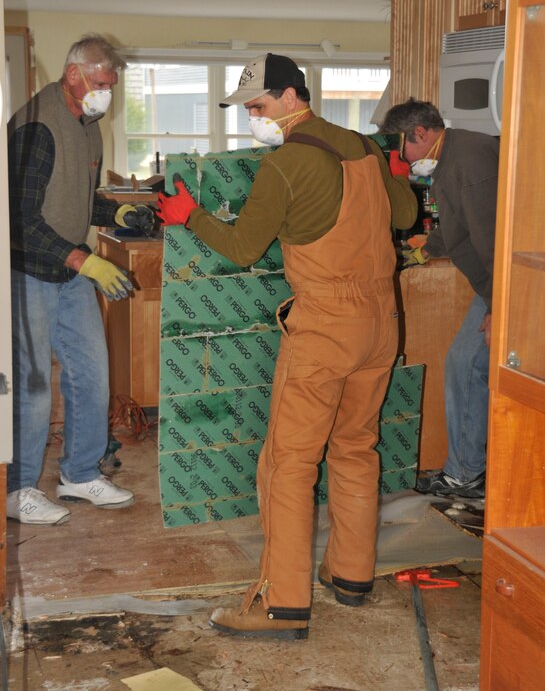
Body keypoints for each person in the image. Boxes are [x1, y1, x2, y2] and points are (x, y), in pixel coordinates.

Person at [157, 53, 417, 639]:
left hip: (326, 325)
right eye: (248, 108)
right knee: (356, 447)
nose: (254, 116)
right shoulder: (363, 147)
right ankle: (351, 577)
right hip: (382, 322)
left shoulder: (284, 164)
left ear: (292, 96)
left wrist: (188, 215)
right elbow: (403, 214)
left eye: (258, 105)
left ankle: (282, 605)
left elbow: (245, 247)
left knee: (288, 463)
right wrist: (393, 172)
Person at [7, 33, 154, 526]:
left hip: (70, 273)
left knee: (92, 373)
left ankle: (79, 473)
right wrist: (84, 261)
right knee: (31, 386)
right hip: (28, 271)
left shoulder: (88, 124)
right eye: (99, 82)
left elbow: (76, 197)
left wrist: (122, 211)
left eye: (111, 85)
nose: (105, 93)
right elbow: (18, 217)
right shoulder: (35, 126)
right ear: (73, 74)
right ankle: (17, 488)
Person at [380, 97, 499, 501]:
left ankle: (467, 475)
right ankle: (466, 472)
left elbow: (493, 237)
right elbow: (455, 224)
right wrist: (422, 251)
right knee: (465, 364)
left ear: (421, 134)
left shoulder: (468, 162)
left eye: (403, 149)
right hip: (495, 284)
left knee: (468, 366)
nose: (404, 159)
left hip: (507, 284)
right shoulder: (450, 158)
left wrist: (501, 307)